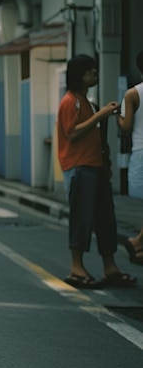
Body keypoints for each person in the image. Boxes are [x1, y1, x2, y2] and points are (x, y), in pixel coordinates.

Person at [57, 54, 136, 288]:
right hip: (79, 167)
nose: (94, 74)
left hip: (96, 167)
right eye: (90, 71)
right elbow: (73, 133)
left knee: (105, 219)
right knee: (81, 219)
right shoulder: (70, 102)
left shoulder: (86, 101)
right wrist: (102, 114)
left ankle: (110, 267)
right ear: (80, 75)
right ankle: (76, 268)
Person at [117, 50, 143, 265]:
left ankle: (138, 243)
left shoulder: (132, 94)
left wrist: (118, 117)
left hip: (140, 151)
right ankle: (138, 244)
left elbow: (126, 127)